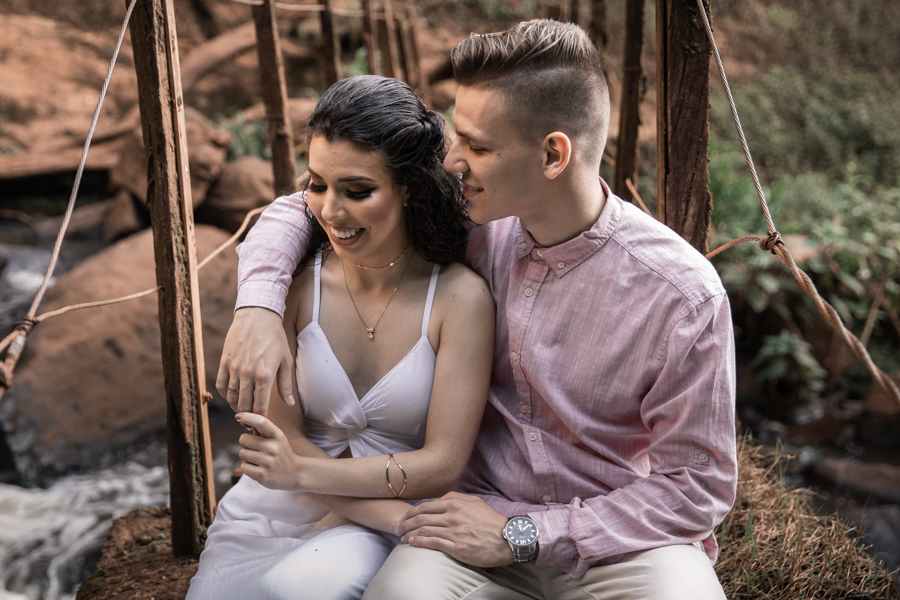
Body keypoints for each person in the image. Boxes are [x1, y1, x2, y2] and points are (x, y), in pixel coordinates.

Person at [219, 19, 737, 600]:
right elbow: (304, 205)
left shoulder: (682, 295)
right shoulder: (470, 222)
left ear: (552, 154)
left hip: (617, 544)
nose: (453, 162)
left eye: (478, 146)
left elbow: (695, 489)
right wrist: (258, 306)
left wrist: (525, 533)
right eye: (456, 138)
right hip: (466, 524)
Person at [188, 75, 495, 600]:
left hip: (394, 511)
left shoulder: (459, 298)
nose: (330, 211)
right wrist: (299, 477)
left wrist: (392, 519)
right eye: (317, 184)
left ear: (409, 187)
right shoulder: (296, 284)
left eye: (357, 191)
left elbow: (443, 461)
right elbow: (278, 448)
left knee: (303, 587)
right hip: (276, 508)